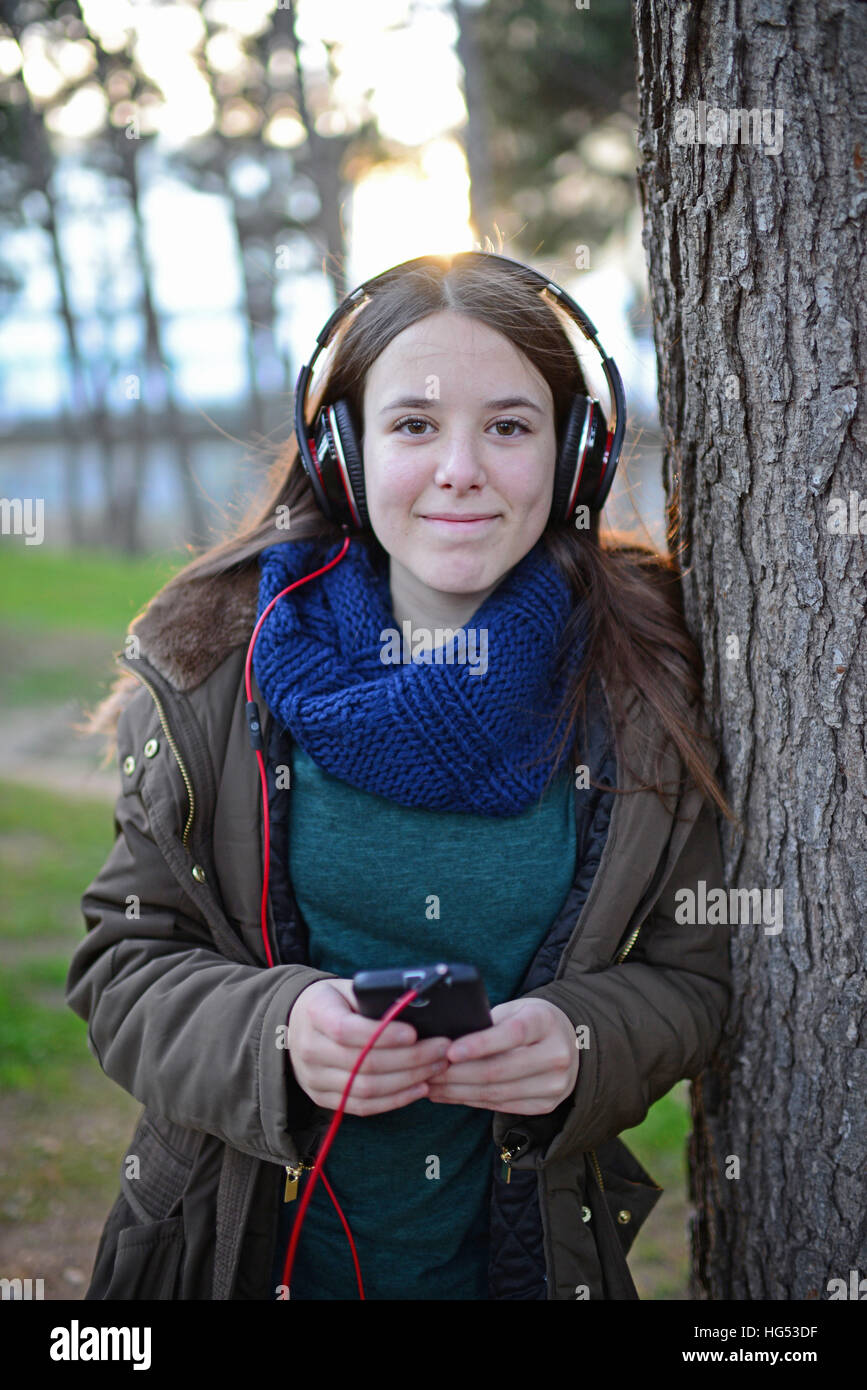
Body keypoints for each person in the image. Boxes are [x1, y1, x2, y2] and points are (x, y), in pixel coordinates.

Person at [67, 250, 734, 1301]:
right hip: (228, 1257)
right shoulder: (214, 661)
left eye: (509, 426)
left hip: (527, 1265)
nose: (460, 467)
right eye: (415, 425)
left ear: (576, 456)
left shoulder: (642, 681)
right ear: (342, 451)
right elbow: (122, 963)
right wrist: (275, 1035)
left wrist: (582, 1042)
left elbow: (699, 974)